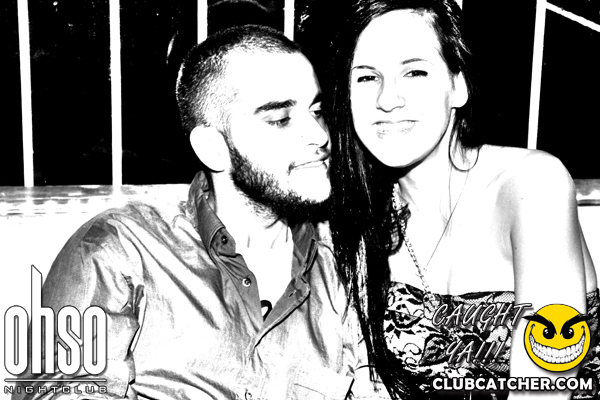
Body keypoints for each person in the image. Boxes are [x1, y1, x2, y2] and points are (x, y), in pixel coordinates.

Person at [12, 25, 388, 400]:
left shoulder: (344, 266)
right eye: (279, 119)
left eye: (317, 111)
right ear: (213, 148)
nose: (320, 136)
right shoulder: (119, 250)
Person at [323, 0, 599, 399]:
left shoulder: (530, 184)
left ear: (459, 86)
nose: (388, 99)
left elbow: (544, 389)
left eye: (414, 72)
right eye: (367, 77)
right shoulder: (354, 216)